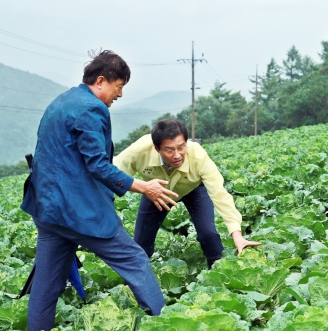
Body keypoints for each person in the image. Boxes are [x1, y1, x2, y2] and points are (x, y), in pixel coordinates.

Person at [20, 50, 178, 331]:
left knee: (46, 285)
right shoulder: (92, 108)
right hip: (76, 210)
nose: (119, 95)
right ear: (102, 81)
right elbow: (97, 165)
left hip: (46, 208)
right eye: (118, 88)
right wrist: (143, 187)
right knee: (135, 259)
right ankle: (167, 323)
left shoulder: (63, 100)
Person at [114, 118, 261, 269]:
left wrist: (237, 234)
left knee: (208, 234)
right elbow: (110, 173)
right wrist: (143, 187)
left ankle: (219, 272)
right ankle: (135, 283)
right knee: (141, 243)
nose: (177, 155)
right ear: (157, 148)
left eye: (181, 147)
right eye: (169, 150)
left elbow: (220, 195)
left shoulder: (198, 156)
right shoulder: (139, 151)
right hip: (156, 191)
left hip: (193, 188)